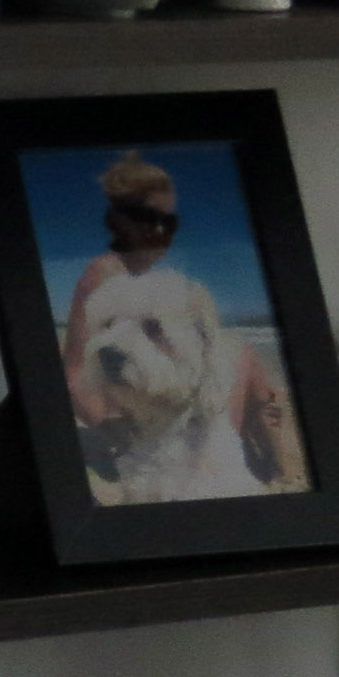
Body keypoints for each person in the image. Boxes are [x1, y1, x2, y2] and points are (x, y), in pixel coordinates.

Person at [58, 151, 307, 501]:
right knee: (245, 358)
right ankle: (279, 459)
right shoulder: (105, 273)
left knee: (241, 354)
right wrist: (111, 430)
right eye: (149, 218)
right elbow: (74, 373)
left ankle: (274, 454)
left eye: (169, 222)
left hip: (156, 414)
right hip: (135, 429)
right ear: (119, 221)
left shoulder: (143, 278)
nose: (161, 230)